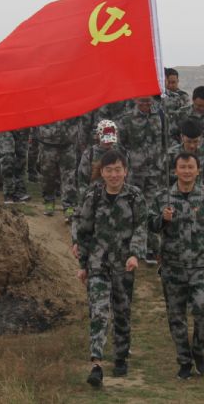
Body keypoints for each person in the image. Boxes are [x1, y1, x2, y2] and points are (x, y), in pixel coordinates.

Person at [73, 149, 147, 387]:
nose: (114, 175)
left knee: (122, 312)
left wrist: (135, 254)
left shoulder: (135, 196)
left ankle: (121, 356)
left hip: (124, 265)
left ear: (125, 171)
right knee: (99, 312)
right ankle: (96, 364)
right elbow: (84, 230)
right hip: (98, 264)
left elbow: (141, 226)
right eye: (109, 170)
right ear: (102, 173)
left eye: (118, 170)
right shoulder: (93, 195)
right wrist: (83, 264)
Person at [151, 152, 204, 380]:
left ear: (198, 170)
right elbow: (149, 226)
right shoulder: (163, 197)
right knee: (176, 317)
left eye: (190, 167)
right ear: (175, 170)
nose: (186, 171)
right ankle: (184, 360)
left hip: (200, 267)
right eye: (182, 167)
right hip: (172, 268)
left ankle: (198, 349)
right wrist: (162, 219)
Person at [120, 96, 166, 262]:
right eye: (142, 101)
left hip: (155, 171)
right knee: (133, 207)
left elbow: (164, 141)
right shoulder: (127, 119)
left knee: (151, 208)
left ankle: (150, 247)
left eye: (149, 101)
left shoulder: (160, 116)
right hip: (135, 172)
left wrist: (162, 160)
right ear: (136, 101)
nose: (146, 105)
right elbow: (121, 145)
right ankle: (131, 246)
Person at [37, 116, 80, 218]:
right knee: (47, 177)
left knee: (69, 178)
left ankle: (69, 208)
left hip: (67, 144)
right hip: (47, 143)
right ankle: (49, 202)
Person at [166, 118, 204, 186]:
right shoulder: (171, 155)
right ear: (182, 137)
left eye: (195, 141)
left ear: (201, 138)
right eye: (188, 141)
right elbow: (163, 181)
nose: (192, 146)